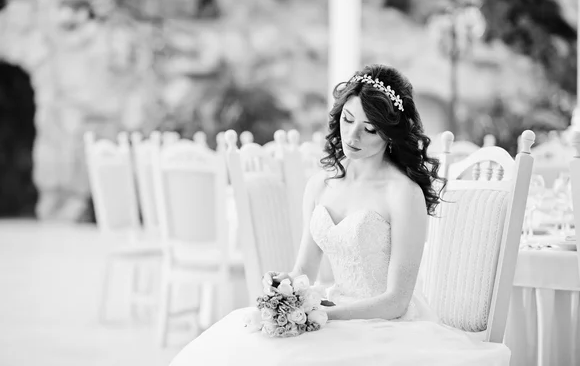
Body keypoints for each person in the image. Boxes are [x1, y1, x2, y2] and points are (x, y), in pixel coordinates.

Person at [169, 64, 510, 366]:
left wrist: (325, 315)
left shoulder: (403, 194)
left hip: (385, 325)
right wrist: (283, 294)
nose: (352, 135)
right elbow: (304, 270)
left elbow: (396, 301)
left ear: (391, 134)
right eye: (348, 120)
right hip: (330, 308)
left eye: (370, 128)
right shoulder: (320, 185)